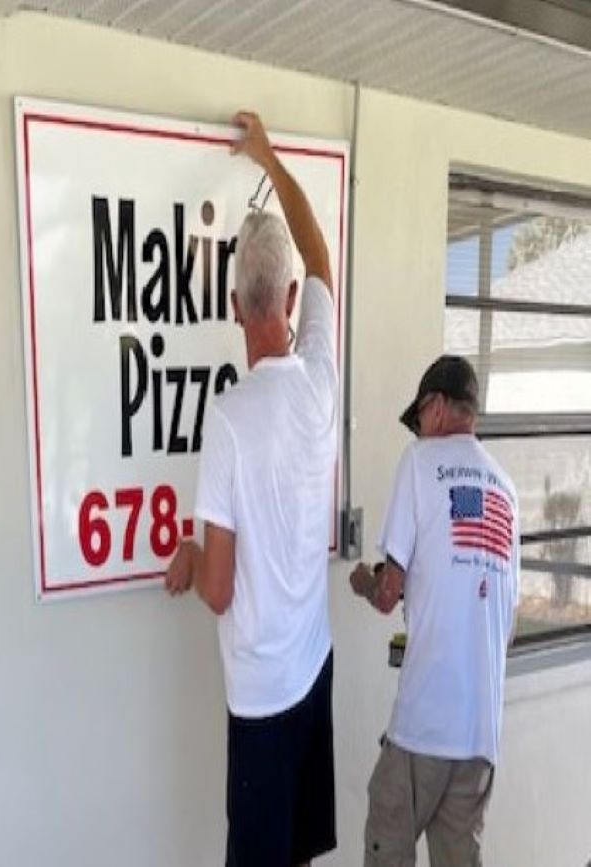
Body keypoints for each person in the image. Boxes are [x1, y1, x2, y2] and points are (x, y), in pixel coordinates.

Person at [166, 110, 338, 867]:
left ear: (235, 307)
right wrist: (270, 157)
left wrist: (186, 552)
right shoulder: (323, 380)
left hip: (263, 699)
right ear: (293, 302)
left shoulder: (230, 421)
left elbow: (219, 588)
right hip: (314, 670)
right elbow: (320, 251)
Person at [350, 355, 520, 867]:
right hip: (481, 736)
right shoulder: (507, 493)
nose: (419, 429)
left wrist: (363, 581)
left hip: (426, 724)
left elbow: (388, 594)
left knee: (388, 837)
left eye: (420, 416)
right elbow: (503, 625)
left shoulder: (420, 462)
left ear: (440, 407)